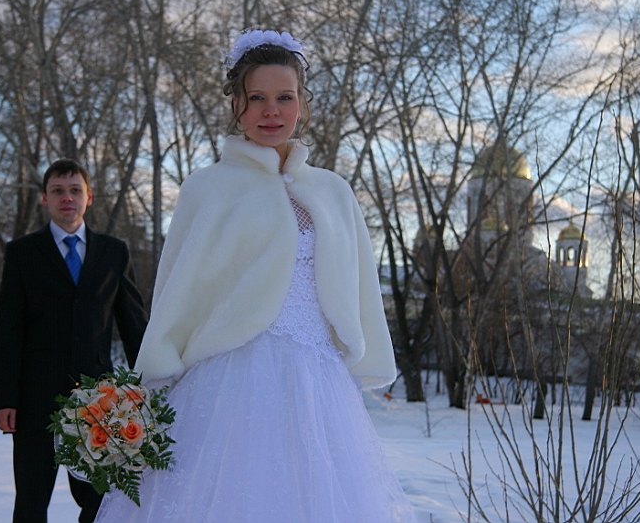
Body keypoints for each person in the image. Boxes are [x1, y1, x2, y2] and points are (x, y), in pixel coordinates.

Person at [94, 30, 418, 523]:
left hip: (319, 385)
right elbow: (178, 290)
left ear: (302, 105)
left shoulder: (333, 191)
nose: (271, 111)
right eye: (257, 98)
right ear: (236, 105)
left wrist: (365, 354)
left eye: (284, 97)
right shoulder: (207, 188)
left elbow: (360, 287)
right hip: (226, 383)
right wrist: (156, 372)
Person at [0, 159, 149, 523]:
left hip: (98, 403)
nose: (67, 198)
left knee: (98, 505)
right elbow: (8, 331)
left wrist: (148, 387)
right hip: (34, 402)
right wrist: (5, 398)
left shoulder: (114, 252)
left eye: (75, 190)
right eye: (58, 191)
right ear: (44, 198)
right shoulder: (22, 253)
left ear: (89, 197)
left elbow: (134, 326)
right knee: (31, 505)